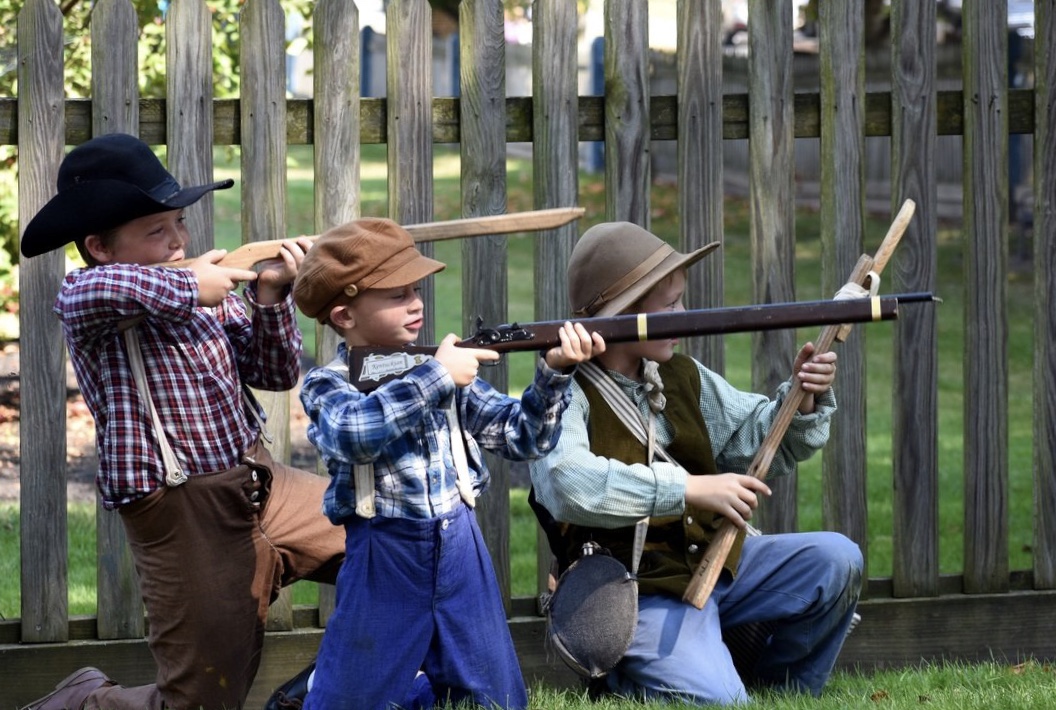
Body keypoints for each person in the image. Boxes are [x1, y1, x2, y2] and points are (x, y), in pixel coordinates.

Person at [18, 133, 344, 710]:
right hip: (180, 509)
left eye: (179, 224)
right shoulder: (90, 295)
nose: (178, 242)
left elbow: (275, 372)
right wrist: (195, 281)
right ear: (99, 246)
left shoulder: (201, 296)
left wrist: (270, 297)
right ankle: (85, 703)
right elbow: (92, 291)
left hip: (261, 484)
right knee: (199, 702)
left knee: (391, 538)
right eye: (156, 231)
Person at [529, 221, 863, 706]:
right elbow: (566, 485)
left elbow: (755, 436)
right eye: (669, 307)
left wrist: (803, 398)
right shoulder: (561, 395)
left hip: (714, 567)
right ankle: (631, 673)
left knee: (837, 561)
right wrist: (688, 489)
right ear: (621, 314)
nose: (684, 316)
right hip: (634, 593)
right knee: (721, 703)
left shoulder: (680, 374)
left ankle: (783, 692)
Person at [291, 218, 605, 710]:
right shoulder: (330, 383)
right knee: (349, 697)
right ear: (344, 315)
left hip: (460, 547)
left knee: (496, 695)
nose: (416, 302)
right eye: (396, 294)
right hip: (383, 556)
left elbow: (522, 439)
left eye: (415, 289)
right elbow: (352, 435)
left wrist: (554, 374)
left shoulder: (437, 367)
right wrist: (438, 375)